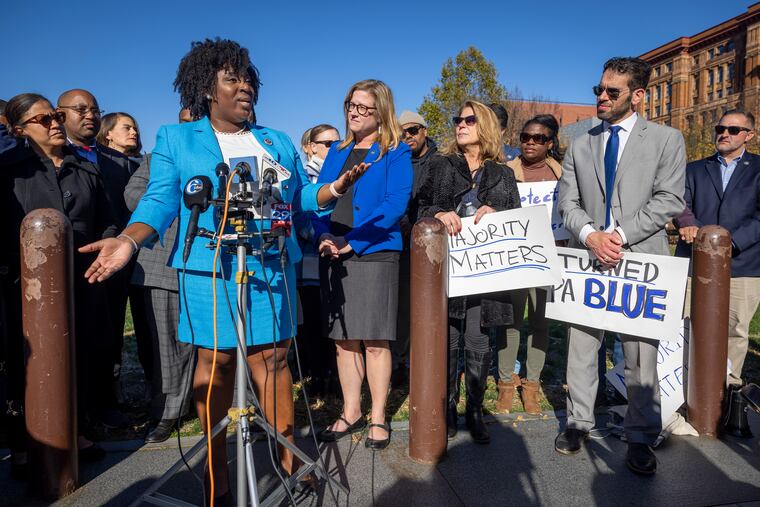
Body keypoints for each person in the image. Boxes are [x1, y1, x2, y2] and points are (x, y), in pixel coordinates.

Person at [79, 38, 366, 504]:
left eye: (248, 77)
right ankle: (217, 478)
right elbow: (160, 198)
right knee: (216, 366)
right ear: (207, 88)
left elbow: (299, 201)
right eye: (232, 78)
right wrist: (129, 239)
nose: (245, 86)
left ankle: (288, 465)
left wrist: (331, 188)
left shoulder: (276, 140)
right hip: (208, 269)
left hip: (270, 269)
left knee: (272, 362)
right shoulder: (178, 139)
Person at [556, 57, 685, 475]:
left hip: (640, 261)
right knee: (581, 344)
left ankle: (641, 435)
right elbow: (567, 202)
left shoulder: (667, 139)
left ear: (638, 95)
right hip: (588, 259)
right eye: (598, 90)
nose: (601, 97)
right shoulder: (580, 143)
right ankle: (578, 422)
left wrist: (621, 236)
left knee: (640, 355)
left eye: (612, 91)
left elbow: (669, 199)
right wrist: (592, 235)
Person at [1, 93, 118, 467]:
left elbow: (109, 220)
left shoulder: (85, 169)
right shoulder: (9, 170)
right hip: (26, 288)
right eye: (43, 119)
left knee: (82, 351)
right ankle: (24, 441)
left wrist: (108, 243)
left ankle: (75, 428)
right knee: (27, 359)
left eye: (55, 116)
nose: (54, 124)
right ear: (19, 130)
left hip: (82, 279)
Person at [313, 79, 412, 450]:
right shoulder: (337, 151)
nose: (354, 112)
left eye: (363, 108)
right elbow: (319, 198)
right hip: (332, 253)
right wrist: (322, 235)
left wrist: (350, 242)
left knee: (374, 340)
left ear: (381, 112)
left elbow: (395, 203)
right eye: (351, 105)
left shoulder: (395, 152)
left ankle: (379, 415)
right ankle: (351, 410)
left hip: (373, 253)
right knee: (344, 341)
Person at [420, 100, 520, 444]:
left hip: (485, 273)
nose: (460, 125)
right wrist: (438, 212)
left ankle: (474, 409)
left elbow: (516, 218)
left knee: (478, 339)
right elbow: (418, 207)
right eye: (458, 119)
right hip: (448, 269)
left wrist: (499, 211)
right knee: (448, 337)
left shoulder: (503, 174)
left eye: (469, 120)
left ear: (487, 126)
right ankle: (447, 406)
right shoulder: (440, 164)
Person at [57, 90, 141, 427]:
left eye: (94, 109)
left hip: (111, 259)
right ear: (59, 115)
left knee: (108, 332)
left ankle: (106, 400)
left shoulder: (117, 162)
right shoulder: (52, 155)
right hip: (66, 259)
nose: (89, 115)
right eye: (80, 109)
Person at [123, 108, 196, 444]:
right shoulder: (157, 159)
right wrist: (181, 194)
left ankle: (229, 405)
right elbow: (134, 195)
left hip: (214, 264)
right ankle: (168, 412)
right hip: (163, 265)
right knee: (167, 345)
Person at [675, 110, 760, 386]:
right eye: (720, 128)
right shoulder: (694, 169)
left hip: (744, 264)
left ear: (749, 135)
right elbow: (680, 204)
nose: (724, 133)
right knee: (686, 326)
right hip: (693, 263)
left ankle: (727, 393)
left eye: (733, 130)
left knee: (734, 331)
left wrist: (728, 243)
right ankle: (685, 388)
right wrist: (691, 227)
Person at [496, 114, 563, 415]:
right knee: (511, 321)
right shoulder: (504, 171)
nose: (530, 143)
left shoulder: (563, 175)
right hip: (513, 258)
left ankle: (532, 385)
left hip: (549, 257)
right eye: (525, 137)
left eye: (538, 138)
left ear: (550, 143)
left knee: (540, 322)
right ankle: (505, 384)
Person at [392, 110, 438, 387]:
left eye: (413, 130)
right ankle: (399, 363)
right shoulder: (395, 160)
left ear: (424, 131)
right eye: (402, 132)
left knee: (428, 307)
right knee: (400, 307)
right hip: (399, 244)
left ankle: (425, 361)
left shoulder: (441, 161)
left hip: (431, 245)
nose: (407, 136)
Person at [295, 124, 341, 396]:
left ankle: (335, 375)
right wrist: (319, 236)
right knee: (312, 322)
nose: (334, 148)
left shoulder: (342, 173)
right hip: (311, 262)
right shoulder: (304, 176)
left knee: (335, 319)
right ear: (310, 147)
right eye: (327, 143)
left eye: (338, 143)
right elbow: (300, 213)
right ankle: (316, 376)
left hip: (340, 256)